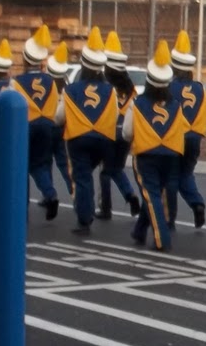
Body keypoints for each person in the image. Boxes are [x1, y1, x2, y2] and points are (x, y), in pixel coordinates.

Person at [124, 41, 185, 252]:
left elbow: (127, 133)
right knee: (154, 193)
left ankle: (162, 239)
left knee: (151, 194)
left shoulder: (138, 103)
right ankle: (139, 230)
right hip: (171, 154)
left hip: (147, 153)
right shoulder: (176, 105)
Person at [59, 28, 119, 236]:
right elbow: (115, 112)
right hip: (103, 140)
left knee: (82, 177)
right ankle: (93, 205)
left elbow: (59, 116)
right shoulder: (110, 90)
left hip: (78, 139)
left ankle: (85, 219)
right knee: (91, 174)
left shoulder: (71, 90)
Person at [10, 25, 62, 220]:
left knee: (22, 166)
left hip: (26, 128)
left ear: (25, 59)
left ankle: (22, 209)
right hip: (47, 127)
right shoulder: (51, 81)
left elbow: (12, 106)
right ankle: (50, 193)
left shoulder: (16, 82)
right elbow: (55, 106)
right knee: (40, 165)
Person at [99, 31, 143, 222]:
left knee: (105, 172)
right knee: (116, 168)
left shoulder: (105, 85)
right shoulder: (130, 87)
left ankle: (106, 208)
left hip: (109, 130)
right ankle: (130, 194)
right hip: (125, 132)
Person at [170, 30, 206, 230]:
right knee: (186, 174)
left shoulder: (168, 88)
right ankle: (197, 202)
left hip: (176, 137)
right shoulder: (200, 88)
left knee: (171, 177)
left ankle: (170, 219)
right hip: (194, 138)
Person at [45, 42, 74, 196]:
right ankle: (72, 189)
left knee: (46, 161)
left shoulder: (47, 86)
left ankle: (49, 194)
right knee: (63, 162)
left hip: (48, 126)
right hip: (61, 129)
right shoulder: (66, 87)